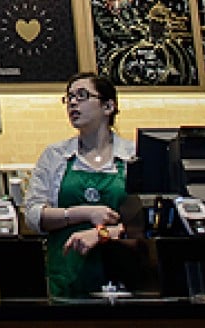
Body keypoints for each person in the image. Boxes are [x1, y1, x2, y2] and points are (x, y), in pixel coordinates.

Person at [24, 72, 136, 298]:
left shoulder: (133, 156)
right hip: (66, 281)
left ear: (108, 106)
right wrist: (84, 213)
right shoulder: (55, 156)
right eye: (69, 97)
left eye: (82, 96)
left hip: (126, 284)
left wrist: (103, 234)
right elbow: (33, 216)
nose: (73, 102)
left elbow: (152, 223)